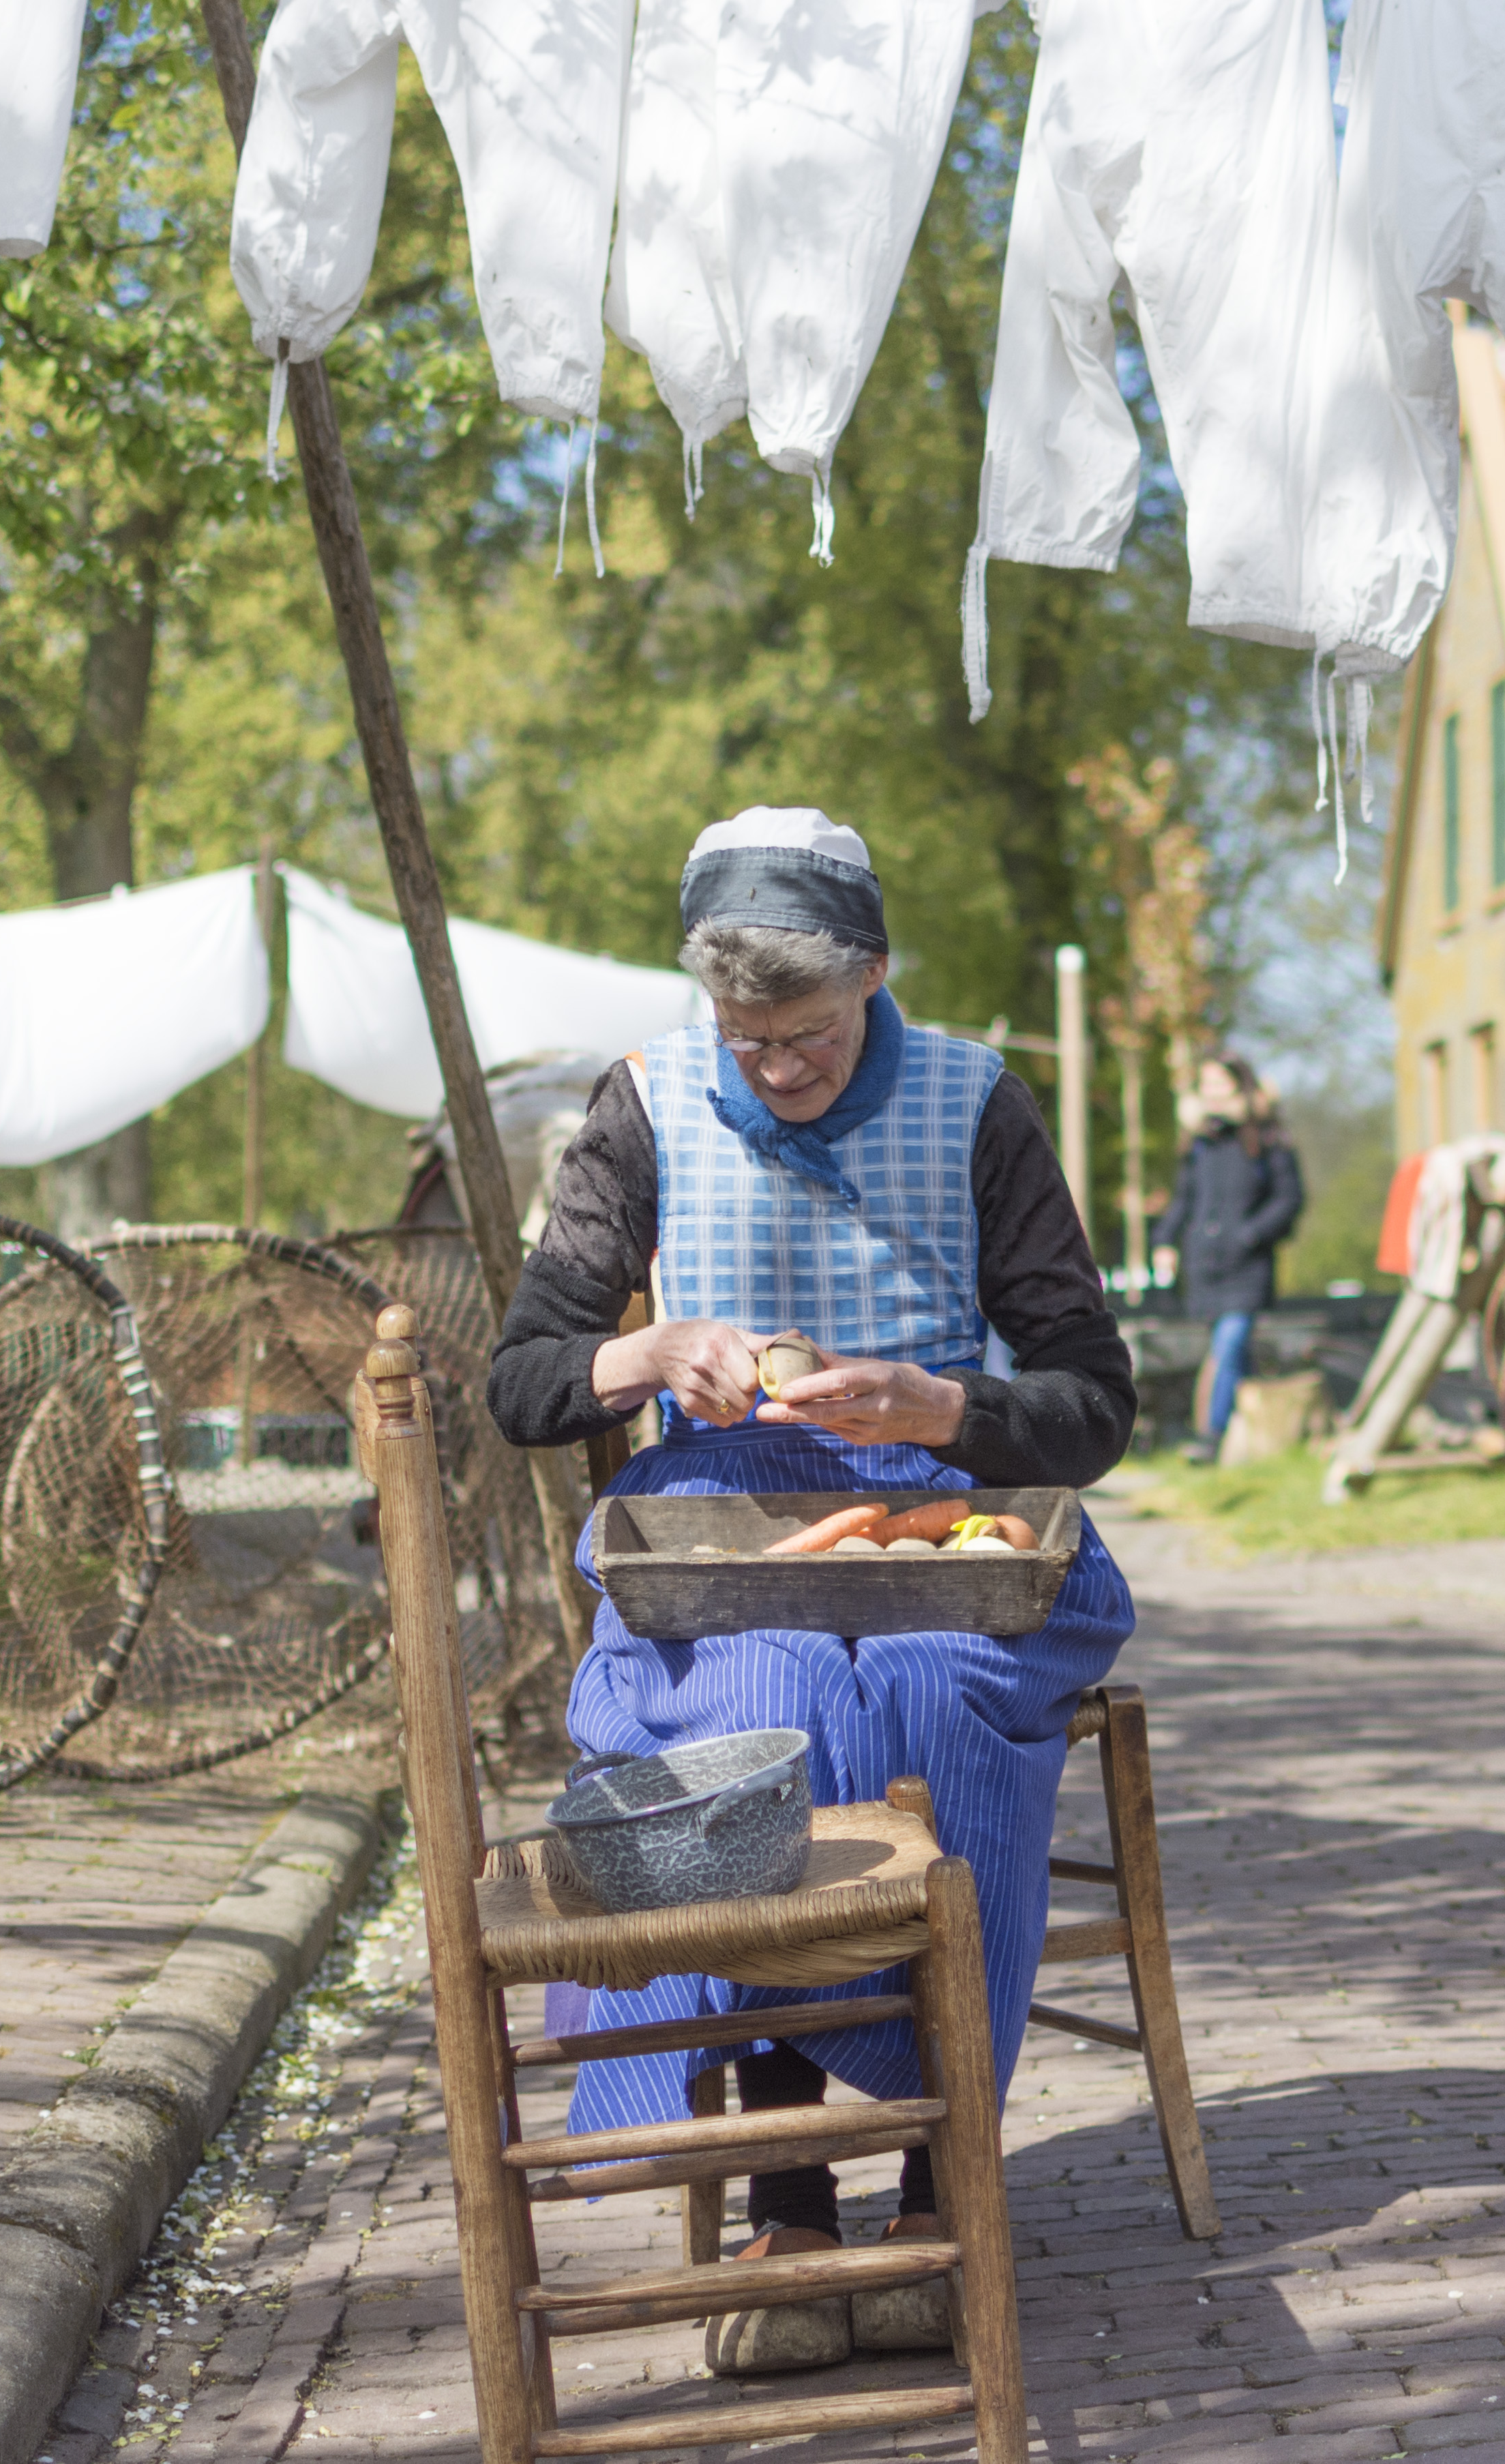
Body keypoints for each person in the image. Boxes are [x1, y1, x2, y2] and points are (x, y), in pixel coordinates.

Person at [488, 805, 1136, 2372]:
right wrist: (637, 1357)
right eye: (746, 1035)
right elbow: (518, 1380)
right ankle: (786, 2190)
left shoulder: (979, 1102)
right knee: (764, 1713)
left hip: (946, 1530)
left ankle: (931, 2183)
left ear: (877, 975)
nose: (775, 1065)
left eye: (808, 1033)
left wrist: (942, 1411)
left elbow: (1093, 1400)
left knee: (932, 1701)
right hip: (719, 1538)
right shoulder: (641, 1105)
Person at [1150, 1054, 1305, 1464]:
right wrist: (1165, 1241)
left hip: (1247, 1267)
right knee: (1231, 1353)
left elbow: (1289, 1199)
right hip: (1205, 1267)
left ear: (1242, 1088)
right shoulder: (1200, 1145)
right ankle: (1254, 1439)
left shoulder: (1268, 1140)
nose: (1215, 1093)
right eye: (1208, 1085)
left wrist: (1250, 1234)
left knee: (1231, 1341)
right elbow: (1184, 1201)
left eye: (1223, 1084)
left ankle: (1211, 1435)